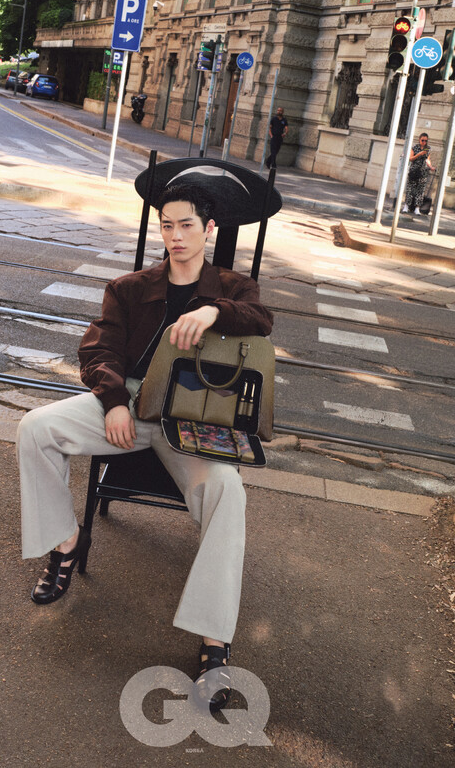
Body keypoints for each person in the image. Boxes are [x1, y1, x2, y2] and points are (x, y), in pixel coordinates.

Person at [16, 182, 273, 709]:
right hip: (129, 405)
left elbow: (261, 321)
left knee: (227, 491)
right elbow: (99, 349)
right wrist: (113, 401)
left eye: (187, 225)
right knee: (36, 428)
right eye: (167, 225)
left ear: (209, 229)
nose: (176, 236)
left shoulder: (233, 287)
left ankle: (214, 639)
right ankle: (66, 543)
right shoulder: (130, 287)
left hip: (190, 418)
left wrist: (214, 312)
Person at [402, 133, 435, 215]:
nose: (424, 142)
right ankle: (406, 206)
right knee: (410, 189)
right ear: (419, 140)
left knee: (420, 190)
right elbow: (410, 158)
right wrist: (419, 154)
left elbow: (427, 160)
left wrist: (430, 167)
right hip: (414, 170)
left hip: (423, 172)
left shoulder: (428, 149)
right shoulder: (414, 148)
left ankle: (417, 208)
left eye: (426, 141)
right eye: (422, 140)